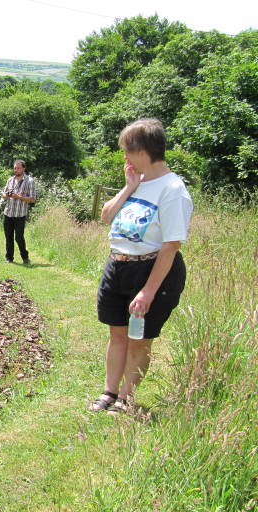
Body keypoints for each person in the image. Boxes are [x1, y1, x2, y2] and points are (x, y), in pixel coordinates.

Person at [89, 118, 193, 415]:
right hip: (118, 266)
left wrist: (148, 292)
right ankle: (109, 391)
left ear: (142, 150)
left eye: (126, 150)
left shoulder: (172, 189)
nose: (124, 157)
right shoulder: (140, 181)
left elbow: (171, 245)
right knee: (117, 333)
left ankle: (125, 397)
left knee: (139, 340)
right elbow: (106, 216)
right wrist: (128, 187)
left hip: (150, 272)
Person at [1, 160, 36, 265]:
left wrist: (18, 197)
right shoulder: (10, 180)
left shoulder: (30, 181)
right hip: (8, 212)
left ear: (24, 169)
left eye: (18, 168)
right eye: (15, 168)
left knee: (19, 237)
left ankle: (25, 257)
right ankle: (9, 258)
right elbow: (3, 193)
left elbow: (33, 199)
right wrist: (6, 195)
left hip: (20, 214)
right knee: (8, 237)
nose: (16, 170)